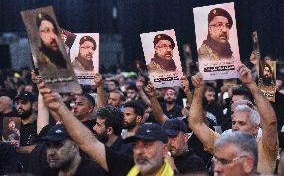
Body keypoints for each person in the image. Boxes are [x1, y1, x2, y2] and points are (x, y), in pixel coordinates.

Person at [37, 83, 175, 175]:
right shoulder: (128, 166)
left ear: (164, 150)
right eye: (137, 145)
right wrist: (60, 107)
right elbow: (88, 143)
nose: (140, 151)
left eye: (148, 145)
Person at [188, 64, 278, 174]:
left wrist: (251, 84)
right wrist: (199, 89)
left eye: (242, 123)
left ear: (256, 128)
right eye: (234, 122)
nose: (236, 126)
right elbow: (195, 123)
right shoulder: (223, 144)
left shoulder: (264, 148)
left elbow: (270, 122)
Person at [40, 124, 107, 176]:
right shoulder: (47, 172)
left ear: (75, 146)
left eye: (58, 145)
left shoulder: (94, 172)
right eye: (48, 146)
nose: (51, 153)